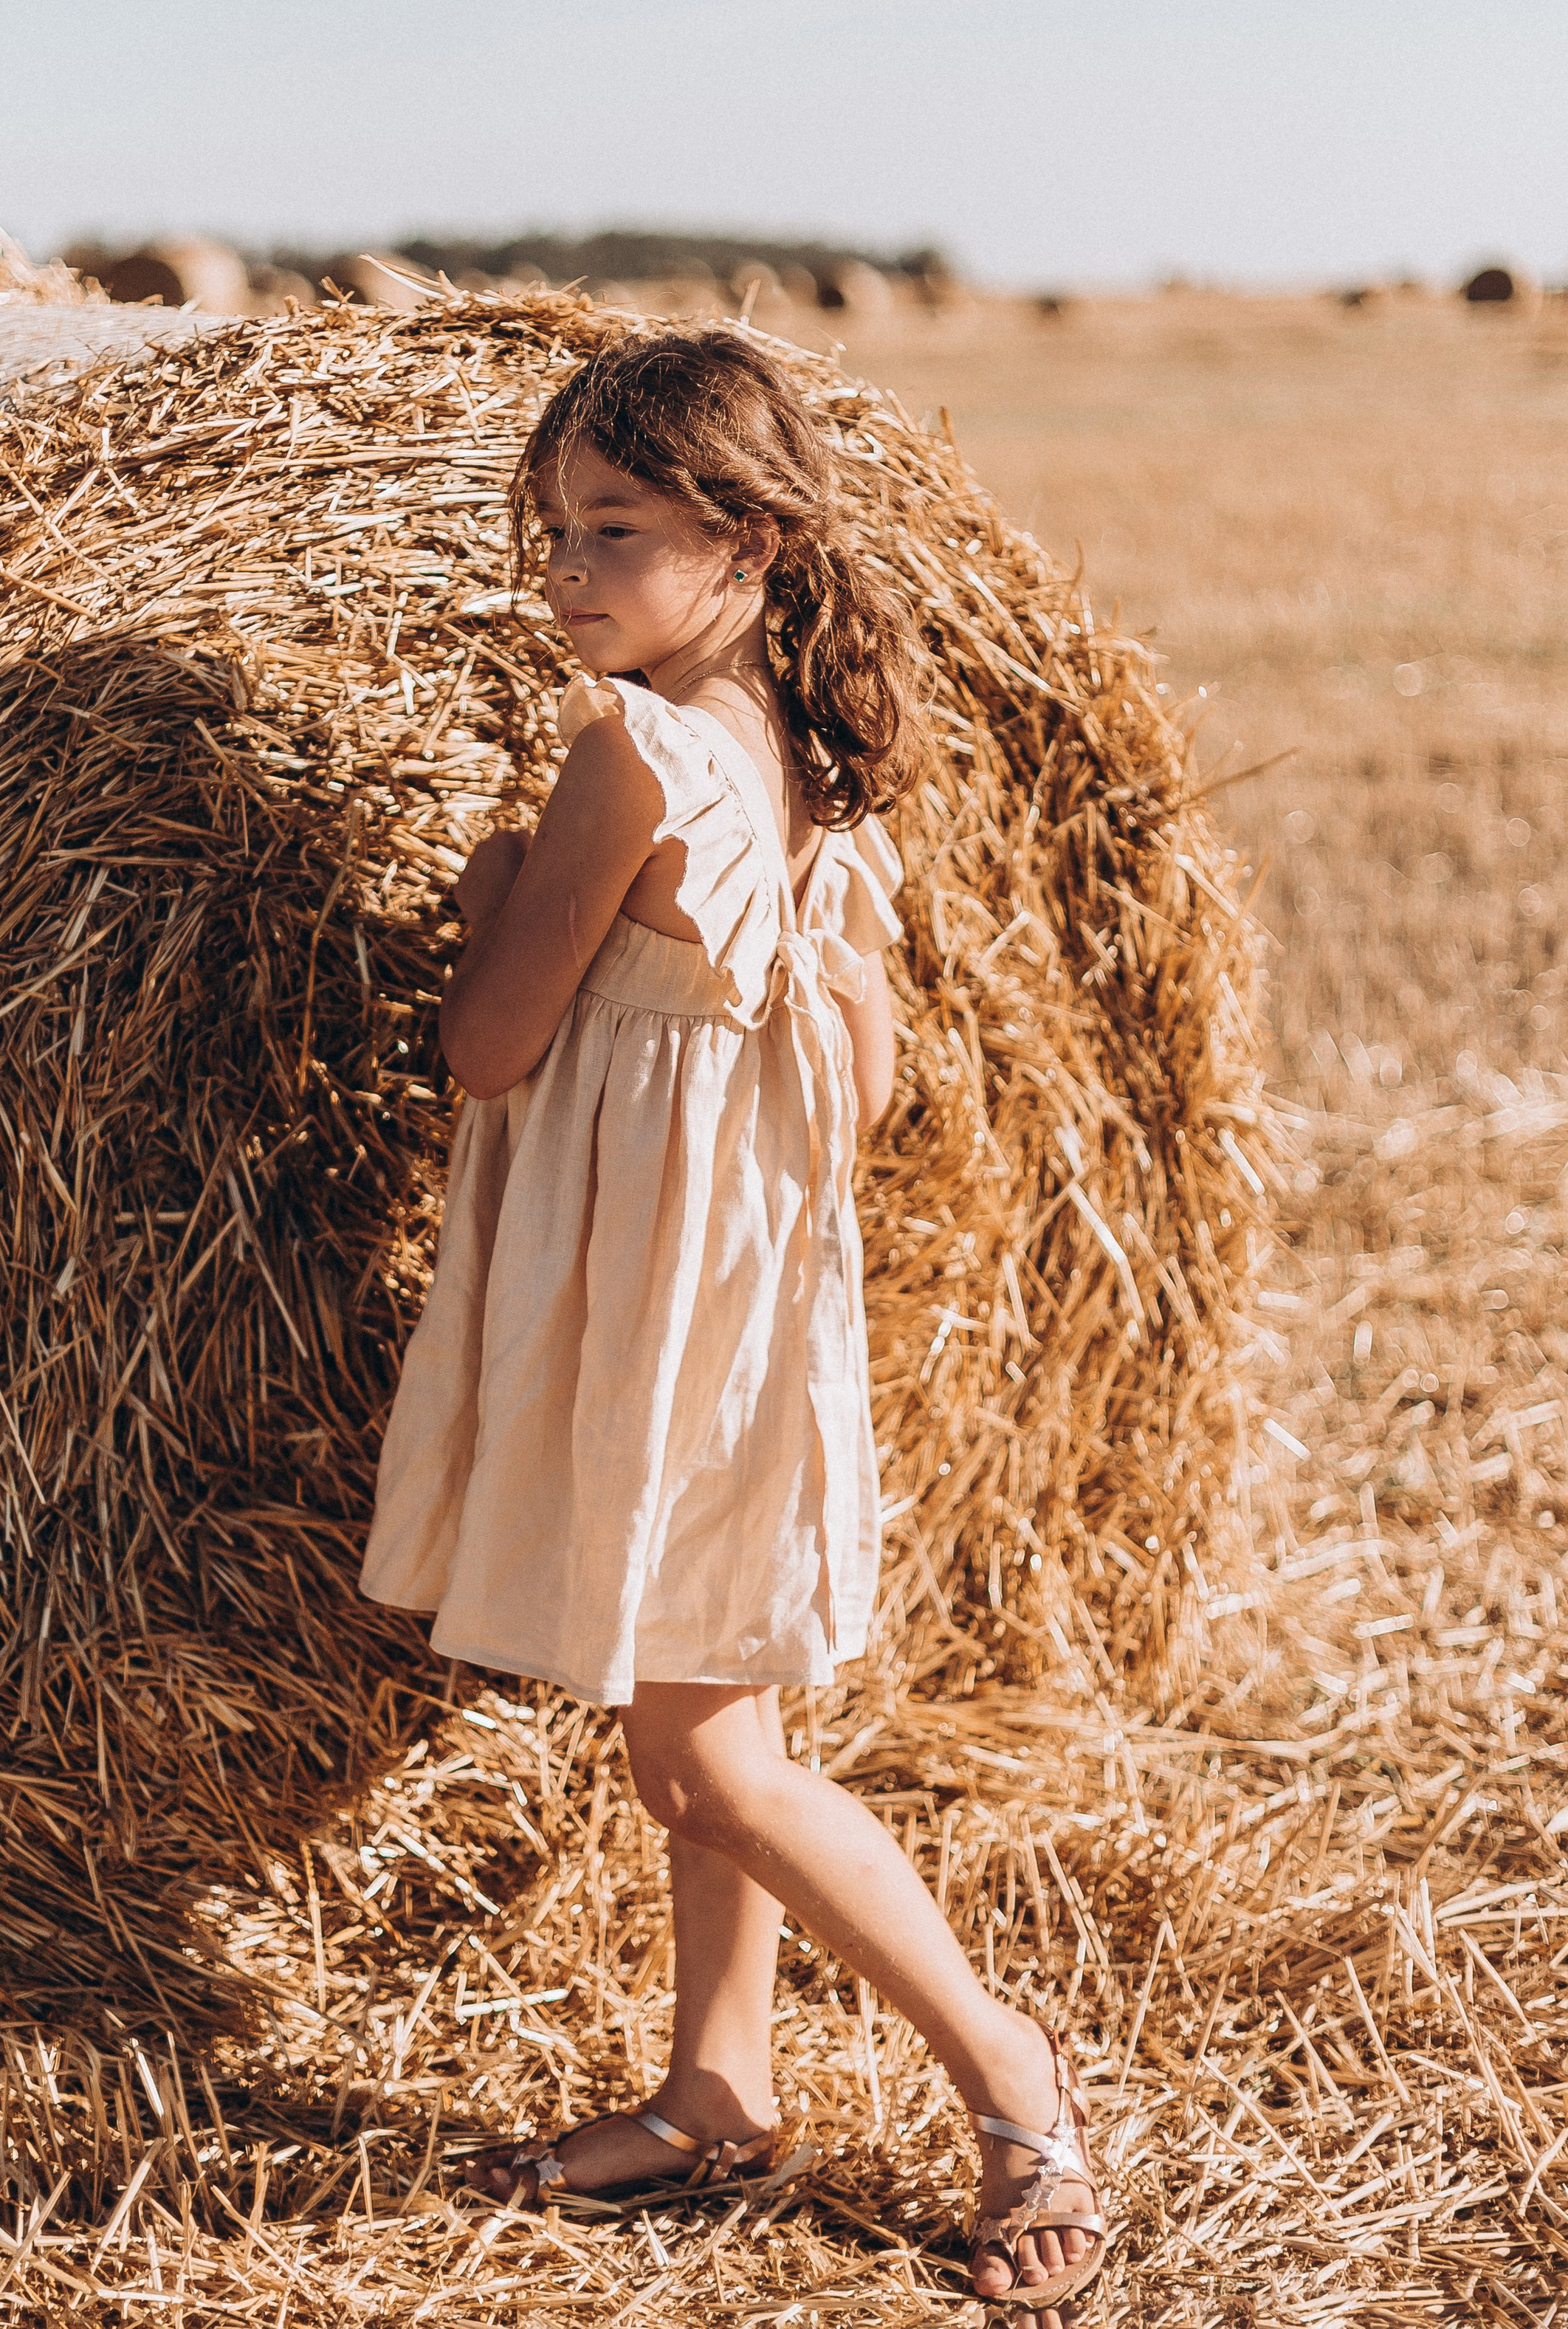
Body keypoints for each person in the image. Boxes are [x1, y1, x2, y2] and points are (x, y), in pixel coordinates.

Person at [360, 331, 1106, 2314]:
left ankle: (1012, 2082)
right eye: (553, 534)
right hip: (741, 1279)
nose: (565, 576)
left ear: (748, 537)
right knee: (707, 1694)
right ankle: (719, 2081)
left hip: (649, 1292)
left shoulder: (628, 759)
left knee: (705, 1766)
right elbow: (851, 1068)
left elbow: (491, 1046)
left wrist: (489, 879)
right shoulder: (804, 751)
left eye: (611, 531)